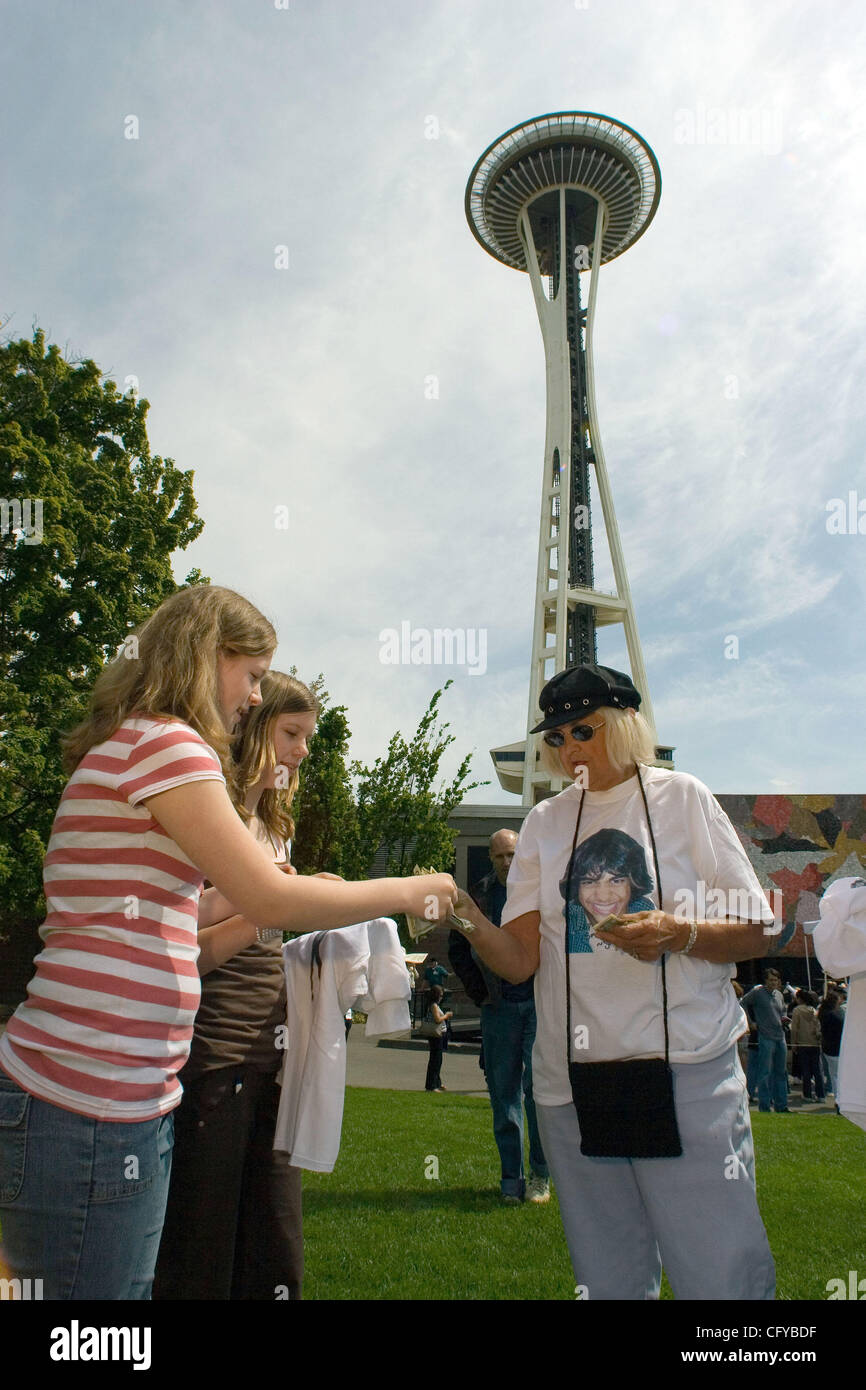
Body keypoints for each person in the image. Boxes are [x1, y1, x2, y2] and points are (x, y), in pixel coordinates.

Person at [0, 585, 458, 1300]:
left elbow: (184, 933)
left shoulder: (133, 742)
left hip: (110, 1097)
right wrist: (408, 888)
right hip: (89, 1098)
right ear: (207, 655)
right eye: (250, 674)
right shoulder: (169, 744)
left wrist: (282, 897)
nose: (252, 697)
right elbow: (269, 898)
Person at [448, 662, 776, 1300]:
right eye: (556, 737)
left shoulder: (684, 798)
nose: (568, 748)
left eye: (583, 730)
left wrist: (680, 934)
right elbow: (519, 959)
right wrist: (464, 915)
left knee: (720, 1274)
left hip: (686, 1073)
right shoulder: (543, 823)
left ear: (625, 725)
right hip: (570, 1084)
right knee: (609, 1280)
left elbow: (756, 927)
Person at [153, 671, 319, 1301]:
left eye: (309, 737)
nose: (303, 750)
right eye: (292, 732)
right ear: (254, 728)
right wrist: (263, 910)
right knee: (202, 1245)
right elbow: (178, 948)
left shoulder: (275, 824)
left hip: (277, 1058)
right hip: (214, 1059)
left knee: (276, 1242)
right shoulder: (203, 815)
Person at [449, 829, 550, 1205]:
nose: (506, 863)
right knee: (502, 1095)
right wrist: (480, 993)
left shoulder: (541, 889)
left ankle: (541, 1175)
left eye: (512, 855)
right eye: (499, 857)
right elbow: (458, 945)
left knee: (538, 1094)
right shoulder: (479, 895)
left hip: (539, 1005)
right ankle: (512, 1179)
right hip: (499, 1006)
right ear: (490, 859)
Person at [742, 970, 790, 1113]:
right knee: (765, 1072)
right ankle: (765, 1105)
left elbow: (782, 1011)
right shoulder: (757, 992)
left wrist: (784, 1018)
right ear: (765, 980)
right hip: (765, 1037)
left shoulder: (779, 995)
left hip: (780, 1036)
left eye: (775, 980)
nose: (773, 983)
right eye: (770, 980)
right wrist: (750, 1022)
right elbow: (743, 1003)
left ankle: (781, 1105)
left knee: (781, 1072)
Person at [789, 989, 824, 1102]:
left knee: (806, 1070)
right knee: (817, 1071)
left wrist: (793, 1043)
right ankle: (820, 1095)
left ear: (800, 999)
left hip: (802, 1043)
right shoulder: (814, 1011)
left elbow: (794, 1028)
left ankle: (807, 1094)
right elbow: (818, 1027)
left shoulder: (797, 1011)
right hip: (814, 1043)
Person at [424, 986, 451, 1093]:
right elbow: (437, 1019)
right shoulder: (434, 1006)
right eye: (440, 996)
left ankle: (437, 1082)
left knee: (438, 1060)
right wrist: (446, 1016)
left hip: (439, 1035)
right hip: (435, 1035)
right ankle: (431, 1085)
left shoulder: (434, 1005)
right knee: (435, 1060)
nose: (441, 998)